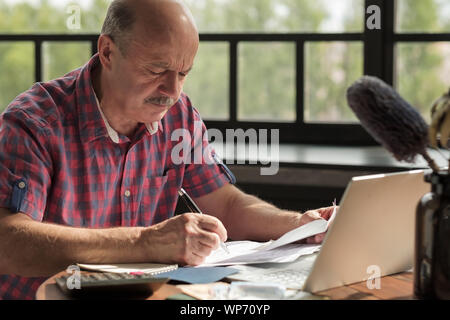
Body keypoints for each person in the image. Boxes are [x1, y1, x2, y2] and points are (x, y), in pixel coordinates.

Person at [0, 0, 335, 300]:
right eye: (157, 70)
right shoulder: (34, 123)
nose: (172, 91)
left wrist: (298, 225)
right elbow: (9, 241)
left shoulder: (178, 116)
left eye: (183, 74)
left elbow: (226, 204)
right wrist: (144, 242)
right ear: (107, 52)